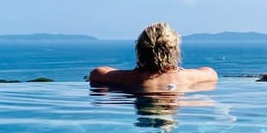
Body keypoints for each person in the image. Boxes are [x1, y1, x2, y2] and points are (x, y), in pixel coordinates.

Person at [88, 22, 218, 91]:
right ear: (174, 50)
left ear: (139, 49)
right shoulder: (187, 77)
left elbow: (97, 72)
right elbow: (211, 73)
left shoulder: (127, 78)